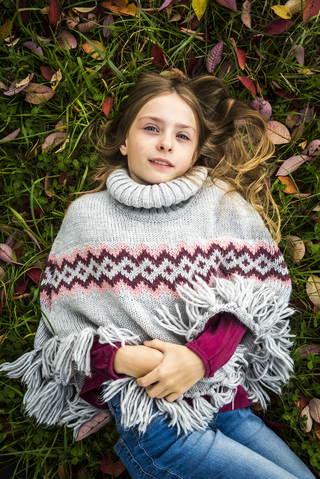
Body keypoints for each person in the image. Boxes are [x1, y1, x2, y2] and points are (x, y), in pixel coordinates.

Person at [0, 72, 315, 479]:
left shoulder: (223, 207)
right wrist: (124, 358)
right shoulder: (87, 218)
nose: (166, 142)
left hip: (224, 403)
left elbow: (252, 301)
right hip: (154, 423)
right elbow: (67, 336)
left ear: (197, 150)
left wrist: (199, 359)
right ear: (125, 140)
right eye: (151, 128)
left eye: (183, 136)